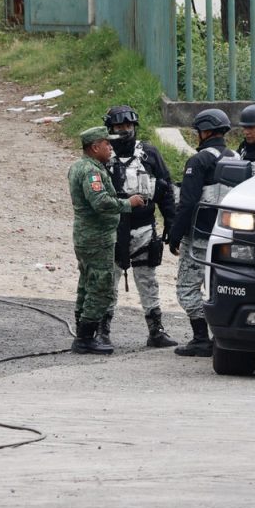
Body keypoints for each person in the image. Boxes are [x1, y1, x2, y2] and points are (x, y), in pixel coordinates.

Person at [104, 105, 179, 348]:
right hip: (112, 230)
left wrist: (171, 224)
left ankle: (156, 330)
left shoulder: (149, 154)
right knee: (108, 280)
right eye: (119, 126)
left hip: (145, 227)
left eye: (128, 126)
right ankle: (102, 331)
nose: (125, 131)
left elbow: (166, 191)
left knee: (147, 279)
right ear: (110, 129)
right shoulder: (102, 156)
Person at [68, 126, 146, 354]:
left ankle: (83, 333)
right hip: (96, 237)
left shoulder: (79, 167)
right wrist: (127, 204)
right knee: (101, 287)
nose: (110, 148)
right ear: (95, 147)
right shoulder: (91, 171)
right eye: (107, 144)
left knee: (87, 283)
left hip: (87, 236)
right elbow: (100, 202)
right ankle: (85, 337)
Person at [167, 108, 238, 357]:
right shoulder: (237, 158)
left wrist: (174, 235)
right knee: (222, 286)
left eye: (198, 132)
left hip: (198, 237)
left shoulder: (198, 161)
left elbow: (187, 203)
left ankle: (200, 338)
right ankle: (226, 335)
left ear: (205, 132)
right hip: (228, 237)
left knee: (187, 288)